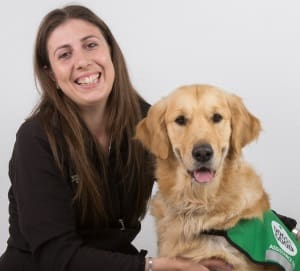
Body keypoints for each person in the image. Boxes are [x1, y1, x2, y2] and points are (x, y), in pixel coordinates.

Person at [0, 4, 233, 271]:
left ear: (110, 51)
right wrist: (154, 266)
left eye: (90, 45)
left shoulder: (146, 122)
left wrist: (280, 234)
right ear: (52, 75)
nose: (83, 61)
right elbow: (56, 255)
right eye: (64, 54)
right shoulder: (36, 140)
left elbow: (213, 196)